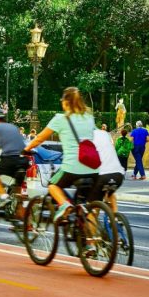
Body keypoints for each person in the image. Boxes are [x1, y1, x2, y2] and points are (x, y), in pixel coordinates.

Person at [24, 87, 98, 222]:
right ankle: (92, 242)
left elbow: (40, 138)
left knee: (53, 185)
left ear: (65, 102)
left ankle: (65, 205)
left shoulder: (60, 119)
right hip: (93, 168)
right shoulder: (89, 118)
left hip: (72, 167)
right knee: (88, 210)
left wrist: (27, 148)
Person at [91, 126, 124, 211]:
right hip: (119, 174)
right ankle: (115, 217)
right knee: (110, 193)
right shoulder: (105, 134)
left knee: (94, 204)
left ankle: (93, 220)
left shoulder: (88, 137)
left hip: (103, 175)